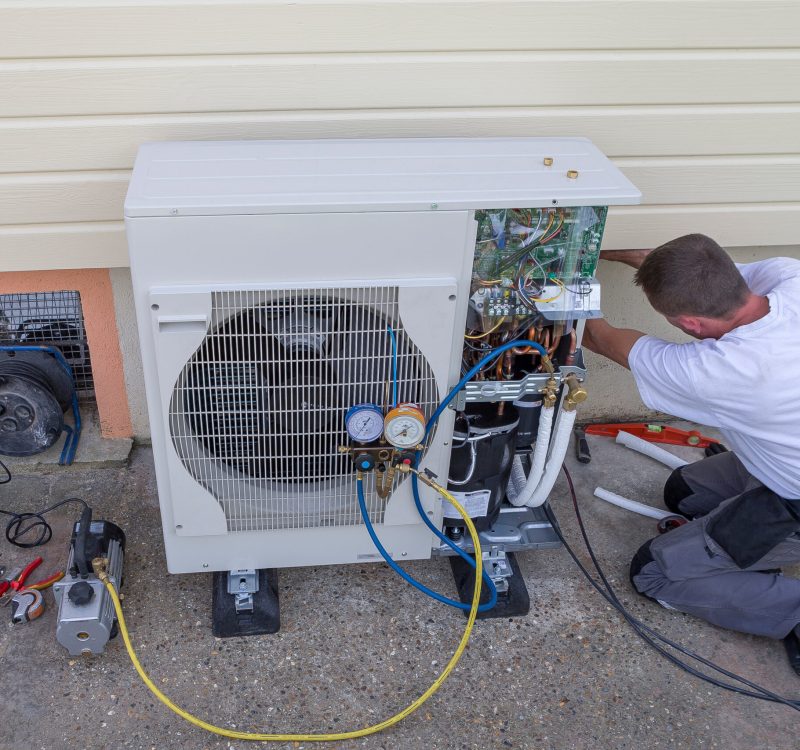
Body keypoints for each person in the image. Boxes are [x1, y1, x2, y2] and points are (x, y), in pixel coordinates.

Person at [581, 233, 800, 673]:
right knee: (684, 493)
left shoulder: (722, 372)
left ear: (689, 325)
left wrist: (559, 280)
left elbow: (598, 336)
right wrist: (584, 248)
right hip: (783, 464)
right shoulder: (789, 277)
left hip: (791, 502)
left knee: (654, 573)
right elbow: (659, 259)